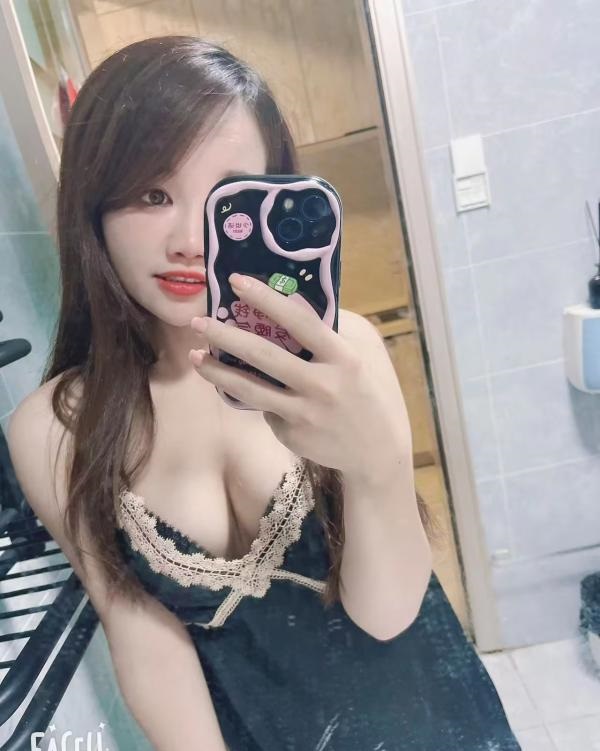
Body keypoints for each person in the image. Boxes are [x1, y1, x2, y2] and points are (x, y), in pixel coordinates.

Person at [7, 36, 521, 751]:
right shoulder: (53, 428)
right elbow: (142, 636)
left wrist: (375, 465)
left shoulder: (344, 354)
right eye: (153, 194)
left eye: (228, 200)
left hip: (430, 717)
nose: (190, 239)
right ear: (93, 206)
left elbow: (387, 612)